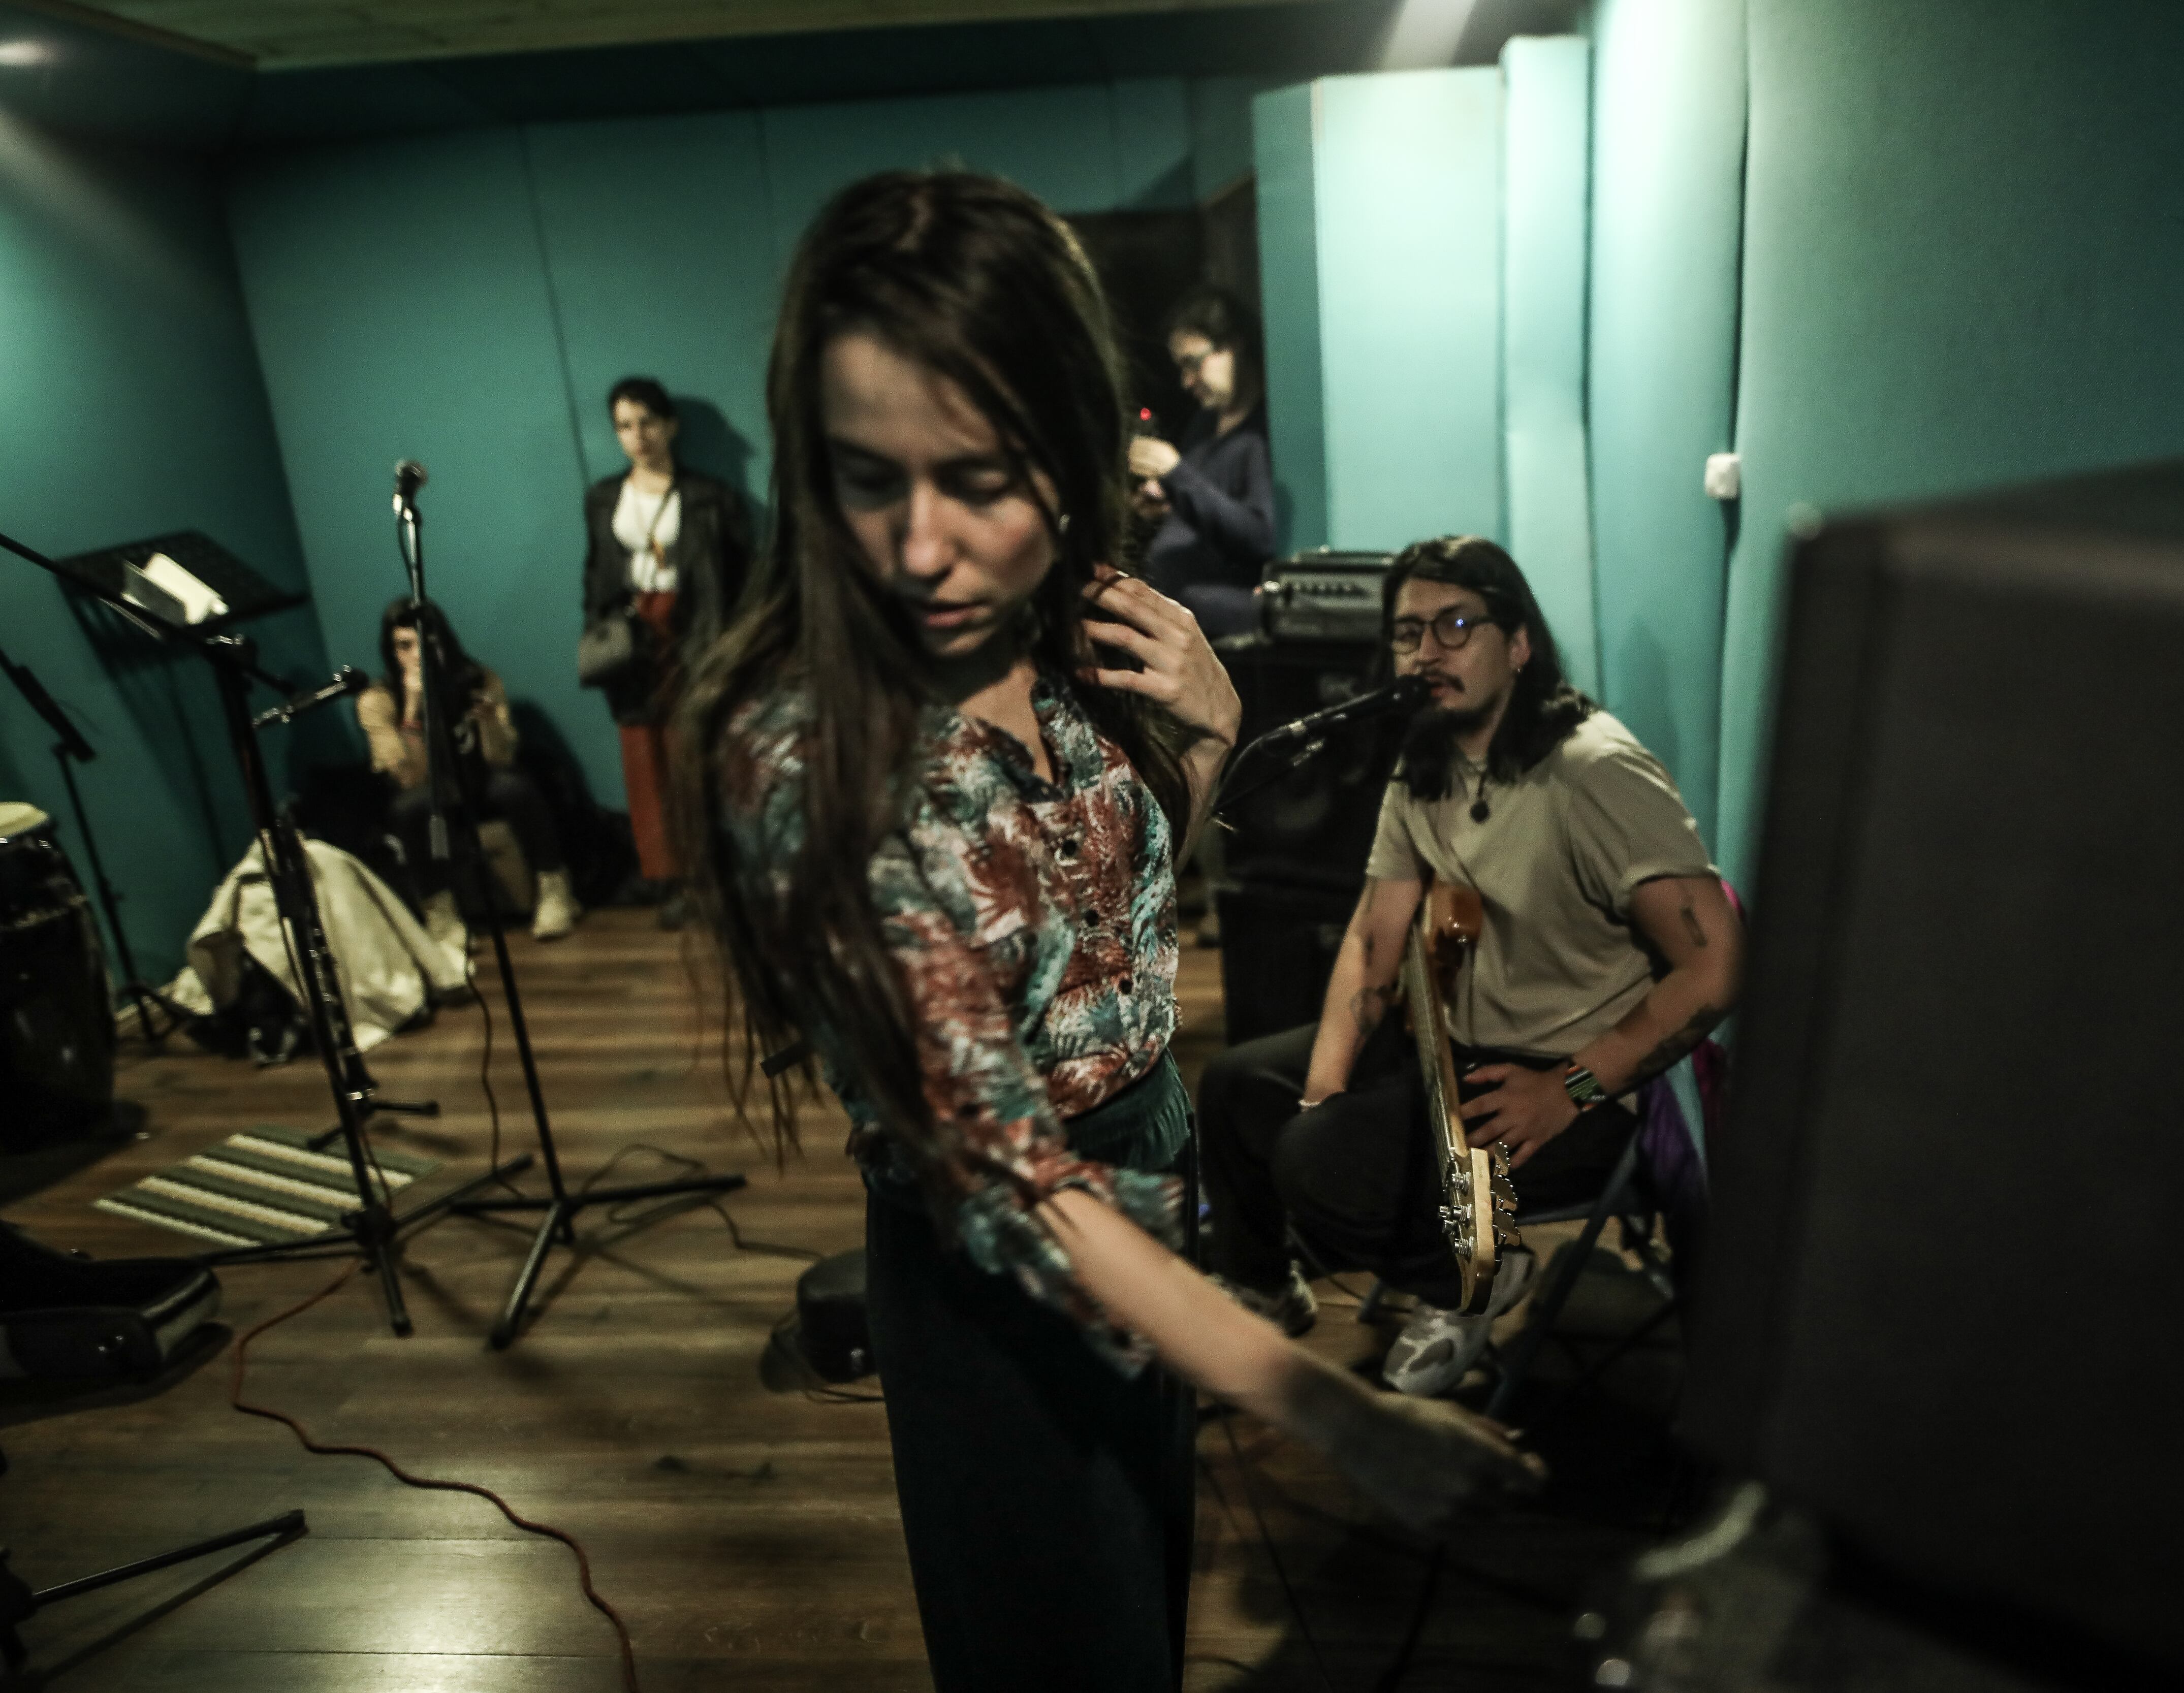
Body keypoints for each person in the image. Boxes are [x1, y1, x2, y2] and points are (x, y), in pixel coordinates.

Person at [672, 173, 1538, 1693]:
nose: (920, 548)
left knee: (1136, 1615)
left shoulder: (1064, 623)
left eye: (982, 477)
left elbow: (1098, 929)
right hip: (1002, 1258)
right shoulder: (808, 752)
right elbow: (1012, 1179)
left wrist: (1203, 741)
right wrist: (1333, 1411)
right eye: (868, 479)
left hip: (1154, 1165)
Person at [1198, 535, 1745, 1397]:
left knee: (1321, 1163)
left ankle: (1477, 1274)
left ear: (1519, 643)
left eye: (1456, 625)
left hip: (1576, 1087)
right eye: (1409, 631)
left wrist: (1569, 1089)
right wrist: (1325, 1084)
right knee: (1239, 1090)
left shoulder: (1595, 770)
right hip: (1458, 1051)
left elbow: (1715, 970)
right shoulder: (1426, 762)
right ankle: (1266, 1288)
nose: (1427, 651)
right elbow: (1376, 935)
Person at [579, 375, 755, 923]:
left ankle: (715, 877)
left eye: (647, 422)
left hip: (692, 628)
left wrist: (736, 642)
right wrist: (596, 626)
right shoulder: (605, 496)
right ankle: (666, 877)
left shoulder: (710, 496)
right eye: (625, 426)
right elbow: (596, 571)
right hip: (631, 636)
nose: (638, 436)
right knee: (645, 758)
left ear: (670, 425)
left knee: (698, 752)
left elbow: (742, 574)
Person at [357, 599, 579, 948]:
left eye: (425, 641)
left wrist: (488, 722)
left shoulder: (479, 680)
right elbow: (409, 780)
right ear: (391, 651)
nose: (417, 654)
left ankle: (555, 889)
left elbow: (502, 759)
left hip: (477, 778)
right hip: (429, 790)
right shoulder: (378, 700)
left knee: (517, 786)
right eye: (405, 646)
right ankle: (441, 916)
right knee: (407, 808)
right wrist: (413, 711)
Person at [1128, 285, 1275, 639]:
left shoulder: (1261, 434)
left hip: (1215, 621)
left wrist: (1175, 474)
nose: (1187, 381)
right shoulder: (1203, 426)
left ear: (1234, 346)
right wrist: (1164, 502)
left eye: (1193, 363)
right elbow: (1206, 507)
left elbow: (1260, 536)